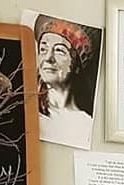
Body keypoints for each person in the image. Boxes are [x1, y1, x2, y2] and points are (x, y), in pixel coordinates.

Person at [34, 16, 96, 150]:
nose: (48, 58)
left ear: (76, 65)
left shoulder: (86, 124)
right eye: (43, 49)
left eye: (59, 50)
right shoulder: (28, 108)